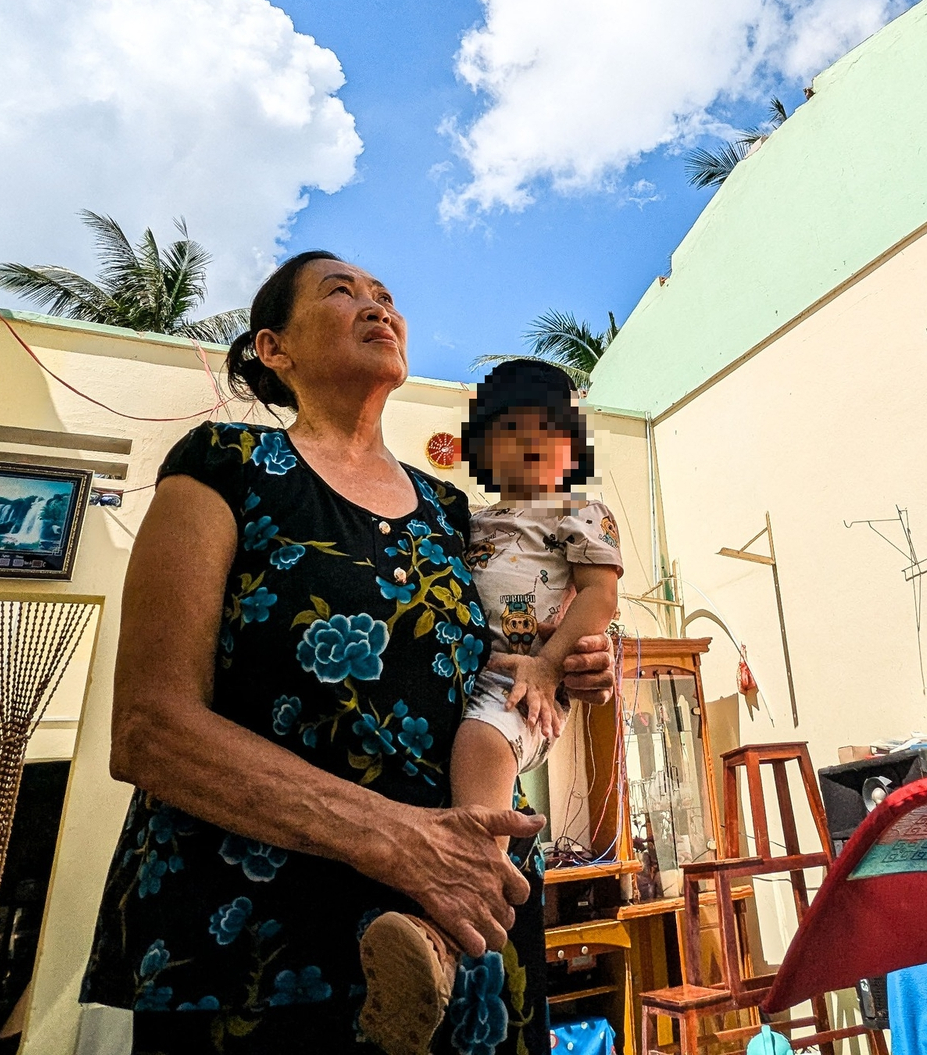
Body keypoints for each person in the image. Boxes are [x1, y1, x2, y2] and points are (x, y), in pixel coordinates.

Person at [81, 252, 617, 1054]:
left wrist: (573, 663)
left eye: (387, 297)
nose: (377, 307)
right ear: (274, 348)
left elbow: (498, 655)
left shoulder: (449, 511)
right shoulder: (225, 467)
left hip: (467, 932)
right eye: (342, 293)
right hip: (262, 942)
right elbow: (151, 730)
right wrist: (403, 841)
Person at [357, 360, 622, 1052]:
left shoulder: (580, 512)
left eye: (550, 431)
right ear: (480, 448)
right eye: (511, 430)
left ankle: (449, 929)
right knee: (461, 750)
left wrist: (550, 660)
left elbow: (599, 597)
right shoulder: (467, 518)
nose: (532, 442)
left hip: (522, 683)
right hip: (474, 675)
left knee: (480, 745)